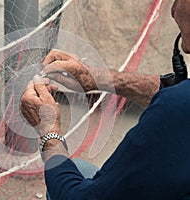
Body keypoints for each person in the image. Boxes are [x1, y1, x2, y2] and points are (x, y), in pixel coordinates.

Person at [20, 0, 190, 199]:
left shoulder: (175, 111)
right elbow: (180, 91)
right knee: (80, 168)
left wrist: (49, 132)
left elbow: (77, 196)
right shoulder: (179, 104)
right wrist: (99, 79)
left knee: (62, 179)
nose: (173, 11)